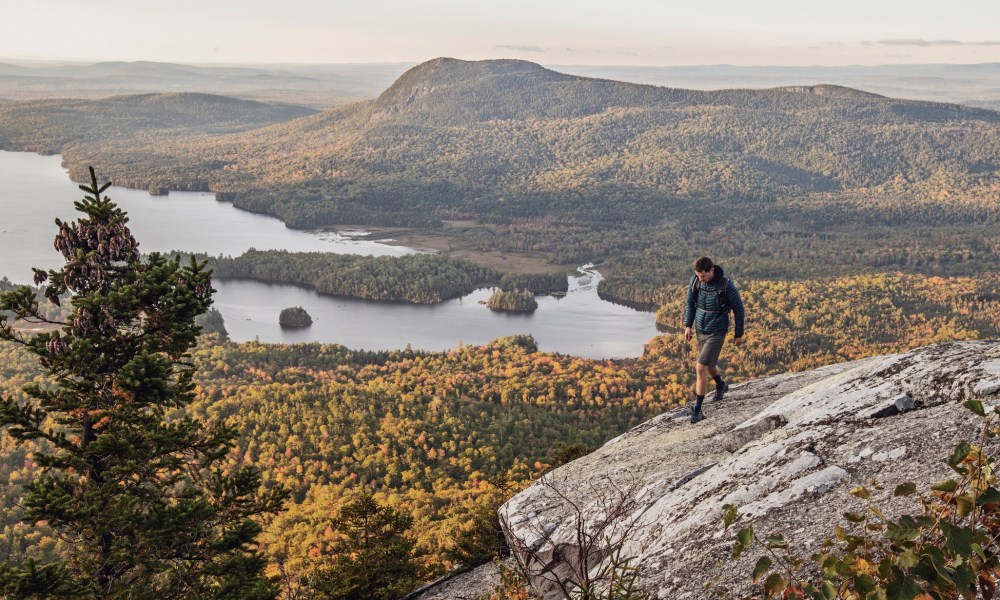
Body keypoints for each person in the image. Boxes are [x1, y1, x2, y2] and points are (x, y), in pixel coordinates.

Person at [683, 256, 745, 423]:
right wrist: (688, 325)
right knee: (710, 365)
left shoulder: (726, 285)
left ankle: (697, 410)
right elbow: (690, 303)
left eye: (703, 276)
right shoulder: (696, 281)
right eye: (697, 275)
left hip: (717, 330)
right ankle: (720, 385)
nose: (700, 279)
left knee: (700, 367)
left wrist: (738, 334)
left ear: (711, 270)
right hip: (700, 329)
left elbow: (739, 309)